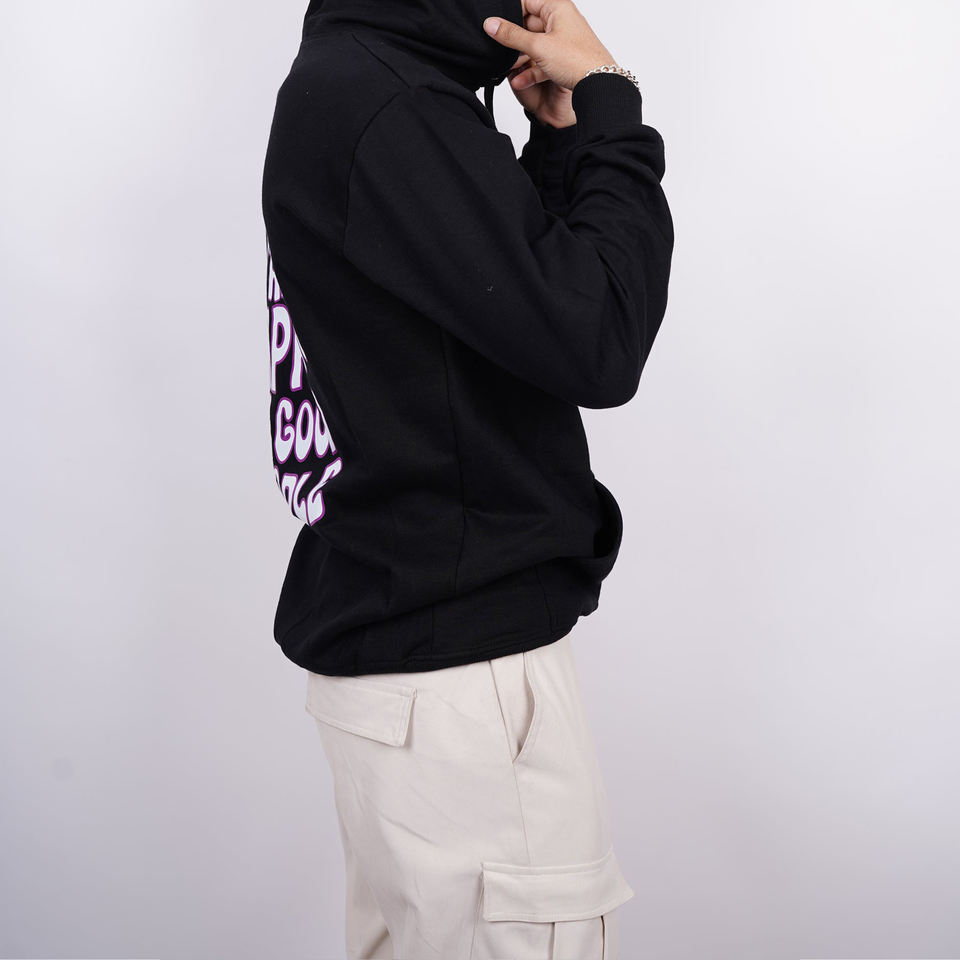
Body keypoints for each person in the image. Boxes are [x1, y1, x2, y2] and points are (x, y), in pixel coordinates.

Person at [261, 0, 674, 955]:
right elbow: (599, 339)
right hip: (462, 694)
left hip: (409, 675)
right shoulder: (393, 103)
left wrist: (559, 140)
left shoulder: (357, 80)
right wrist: (612, 103)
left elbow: (490, 318)